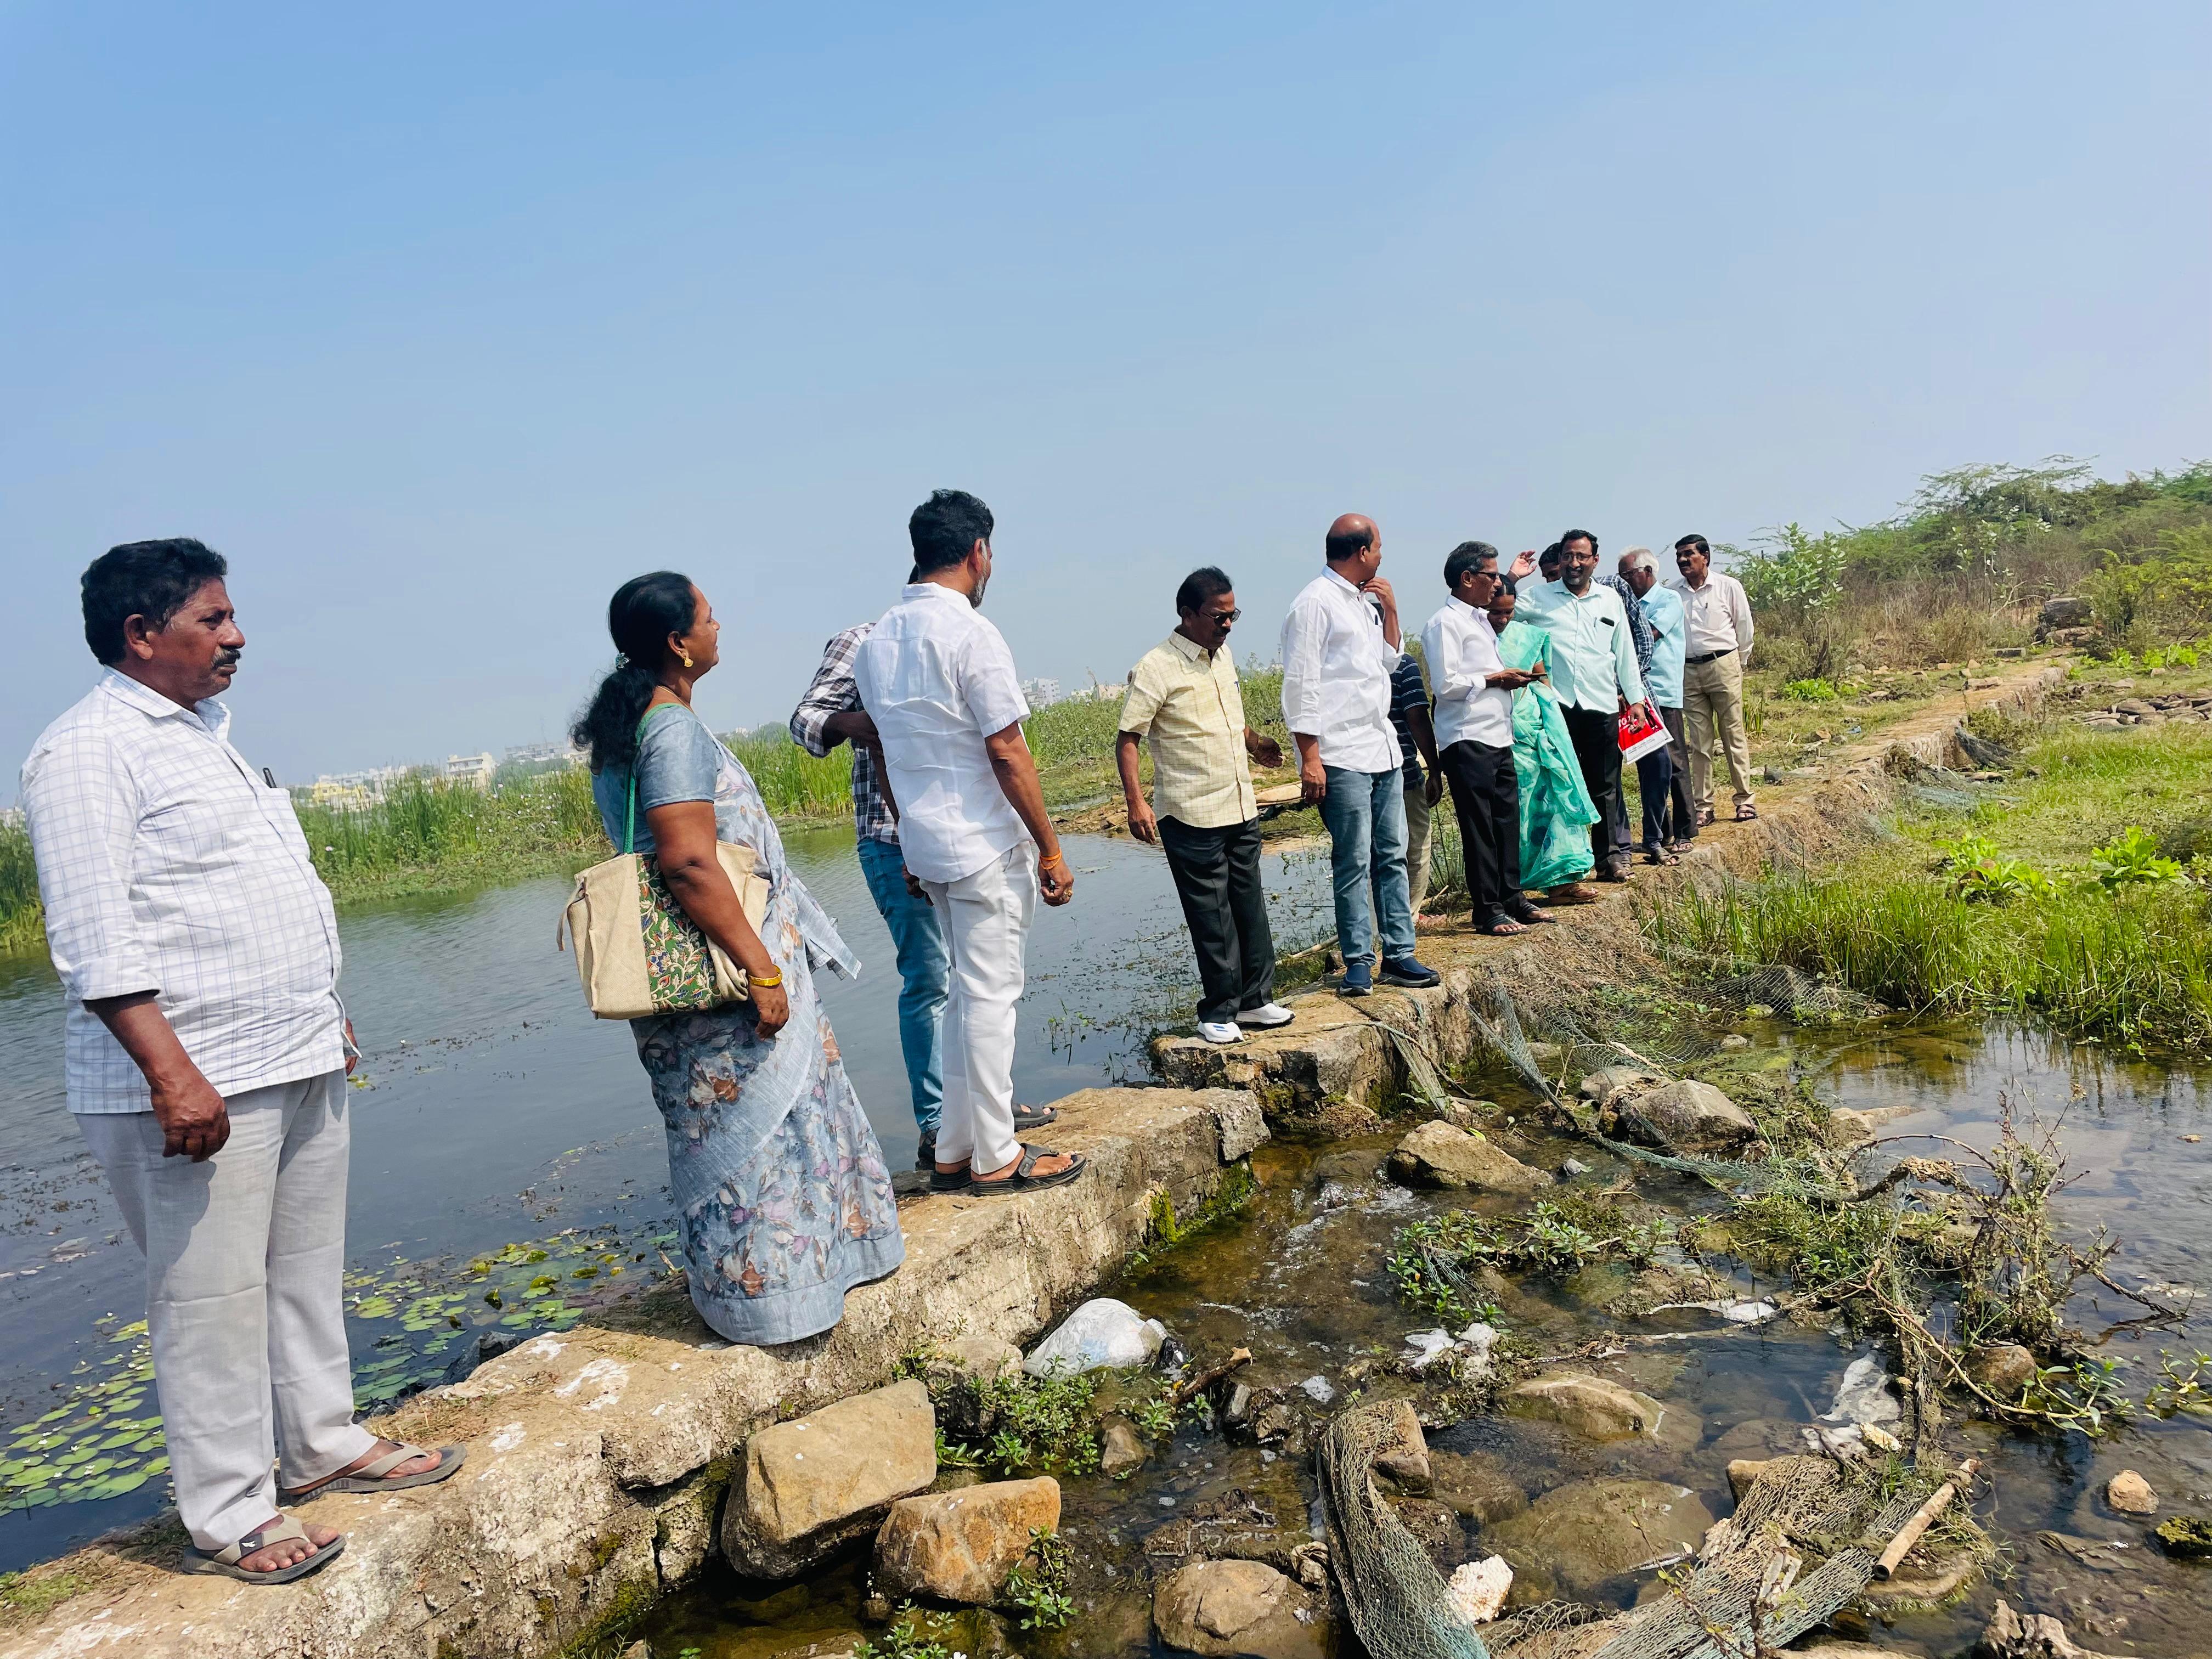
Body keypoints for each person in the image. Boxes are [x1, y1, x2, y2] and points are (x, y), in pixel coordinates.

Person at [21, 540, 463, 1586]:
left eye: (231, 616)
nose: (237, 635)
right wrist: (171, 1073)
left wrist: (328, 1014)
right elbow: (93, 935)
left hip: (292, 1051)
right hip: (195, 1075)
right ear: (141, 633)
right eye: (213, 619)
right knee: (208, 1299)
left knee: (304, 1269)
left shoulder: (209, 736)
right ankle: (227, 1510)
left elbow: (263, 896)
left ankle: (318, 1441)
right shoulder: (88, 750)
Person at [577, 572, 902, 1344]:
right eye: (709, 617)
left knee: (720, 1134)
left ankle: (756, 1294)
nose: (721, 626)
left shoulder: (632, 729)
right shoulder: (670, 729)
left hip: (680, 973)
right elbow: (689, 862)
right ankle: (780, 1302)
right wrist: (761, 969)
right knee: (764, 1131)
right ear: (678, 644)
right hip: (721, 965)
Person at [855, 489, 1085, 1196]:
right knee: (990, 999)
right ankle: (996, 1154)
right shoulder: (970, 634)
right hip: (984, 844)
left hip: (926, 846)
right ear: (978, 552)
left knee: (961, 998)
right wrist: (1050, 847)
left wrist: (911, 839)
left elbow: (886, 754)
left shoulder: (877, 642)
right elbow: (1008, 748)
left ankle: (955, 1148)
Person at [789, 616, 1058, 1167]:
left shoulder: (946, 640)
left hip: (954, 840)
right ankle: (939, 1122)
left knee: (974, 981)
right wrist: (863, 724)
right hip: (895, 840)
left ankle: (983, 1115)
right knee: (933, 978)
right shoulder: (865, 642)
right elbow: (806, 721)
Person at [1116, 568, 1296, 1046]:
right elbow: (1128, 738)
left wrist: (1257, 743)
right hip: (1191, 812)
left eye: (1233, 615)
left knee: (1249, 904)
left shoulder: (1223, 657)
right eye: (1219, 617)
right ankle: (1217, 1011)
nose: (1228, 625)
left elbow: (1226, 723)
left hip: (1238, 803)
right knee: (1211, 915)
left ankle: (1256, 1000)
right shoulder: (1156, 667)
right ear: (1188, 614)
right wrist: (1136, 803)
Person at [1278, 514, 1441, 998]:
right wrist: (1310, 758)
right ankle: (1357, 961)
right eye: (1380, 546)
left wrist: (1391, 611)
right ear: (1362, 551)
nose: (1383, 554)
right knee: (1353, 859)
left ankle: (1399, 953)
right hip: (1341, 752)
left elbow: (1389, 664)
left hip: (1382, 749)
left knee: (1391, 854)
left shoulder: (1363, 604)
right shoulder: (1313, 604)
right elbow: (1300, 684)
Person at [1420, 544, 1551, 935]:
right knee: (1479, 825)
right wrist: (1495, 679)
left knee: (1506, 819)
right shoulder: (1445, 623)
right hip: (1467, 738)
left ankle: (1512, 896)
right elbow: (1446, 685)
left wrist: (1506, 679)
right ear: (1467, 579)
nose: (1498, 583)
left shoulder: (1478, 619)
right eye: (1491, 576)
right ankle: (1487, 909)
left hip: (1497, 734)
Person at [1511, 529, 1646, 883]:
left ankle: (1609, 858)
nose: (1574, 563)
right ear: (1560, 560)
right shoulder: (1537, 599)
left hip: (1600, 703)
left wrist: (1635, 700)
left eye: (1582, 557)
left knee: (1605, 785)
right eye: (1568, 556)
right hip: (1556, 708)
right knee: (1557, 784)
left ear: (1594, 561)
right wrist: (1511, 578)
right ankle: (1566, 866)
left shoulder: (1610, 599)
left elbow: (1624, 652)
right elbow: (1497, 611)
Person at [1486, 577, 1604, 896]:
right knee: (1518, 812)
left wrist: (1549, 722)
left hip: (1537, 730)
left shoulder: (1528, 636)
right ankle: (1516, 885)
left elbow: (1542, 680)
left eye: (1508, 612)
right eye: (1495, 612)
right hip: (1503, 735)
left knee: (1553, 800)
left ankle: (1563, 880)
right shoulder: (1474, 639)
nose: (1503, 619)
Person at [1671, 534, 1758, 823]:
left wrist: (1739, 661)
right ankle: (1703, 806)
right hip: (1688, 671)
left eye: (1688, 555)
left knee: (1733, 733)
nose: (1683, 560)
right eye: (1679, 556)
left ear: (1705, 557)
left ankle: (1744, 799)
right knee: (1699, 741)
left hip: (1723, 664)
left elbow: (1744, 626)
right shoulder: (1673, 593)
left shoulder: (1728, 586)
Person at [1620, 547, 1694, 857]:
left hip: (1662, 691)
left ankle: (1685, 829)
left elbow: (1647, 636)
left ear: (1646, 572)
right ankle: (1660, 833)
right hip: (1638, 695)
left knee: (1674, 761)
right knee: (1649, 764)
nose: (1624, 581)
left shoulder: (1667, 600)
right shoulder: (1628, 603)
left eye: (1628, 575)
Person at [1386, 629, 1446, 922]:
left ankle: (1390, 919)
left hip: (1360, 776)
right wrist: (1434, 771)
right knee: (1416, 845)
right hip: (1404, 772)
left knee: (1378, 851)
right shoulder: (1403, 664)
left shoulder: (1340, 666)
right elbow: (1417, 717)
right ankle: (1409, 915)